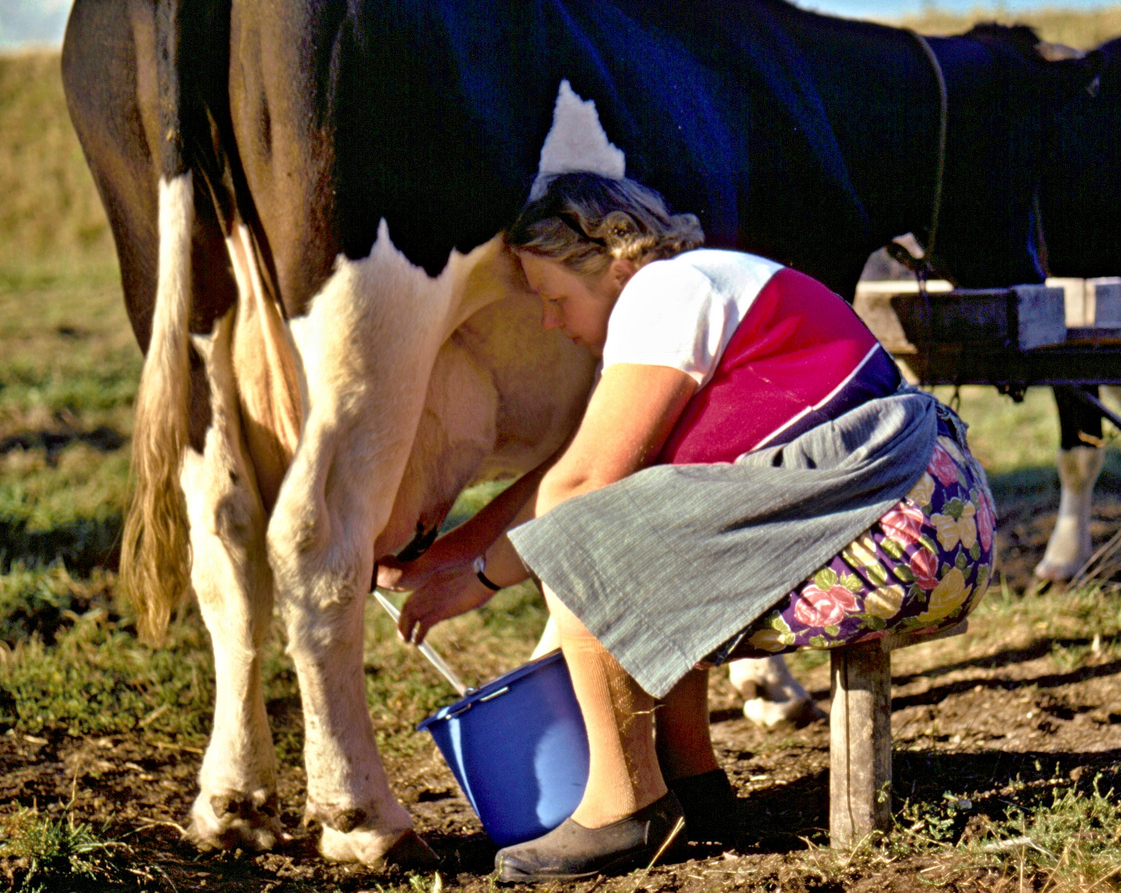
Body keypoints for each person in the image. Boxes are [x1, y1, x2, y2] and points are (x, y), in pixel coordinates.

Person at [378, 173, 995, 882]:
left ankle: (623, 808)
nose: (551, 321)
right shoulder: (705, 288)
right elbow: (571, 467)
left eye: (555, 298)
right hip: (937, 521)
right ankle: (695, 788)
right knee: (653, 522)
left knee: (595, 549)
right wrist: (443, 556)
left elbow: (579, 489)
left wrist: (478, 581)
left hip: (900, 527)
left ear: (613, 266)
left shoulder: (661, 293)